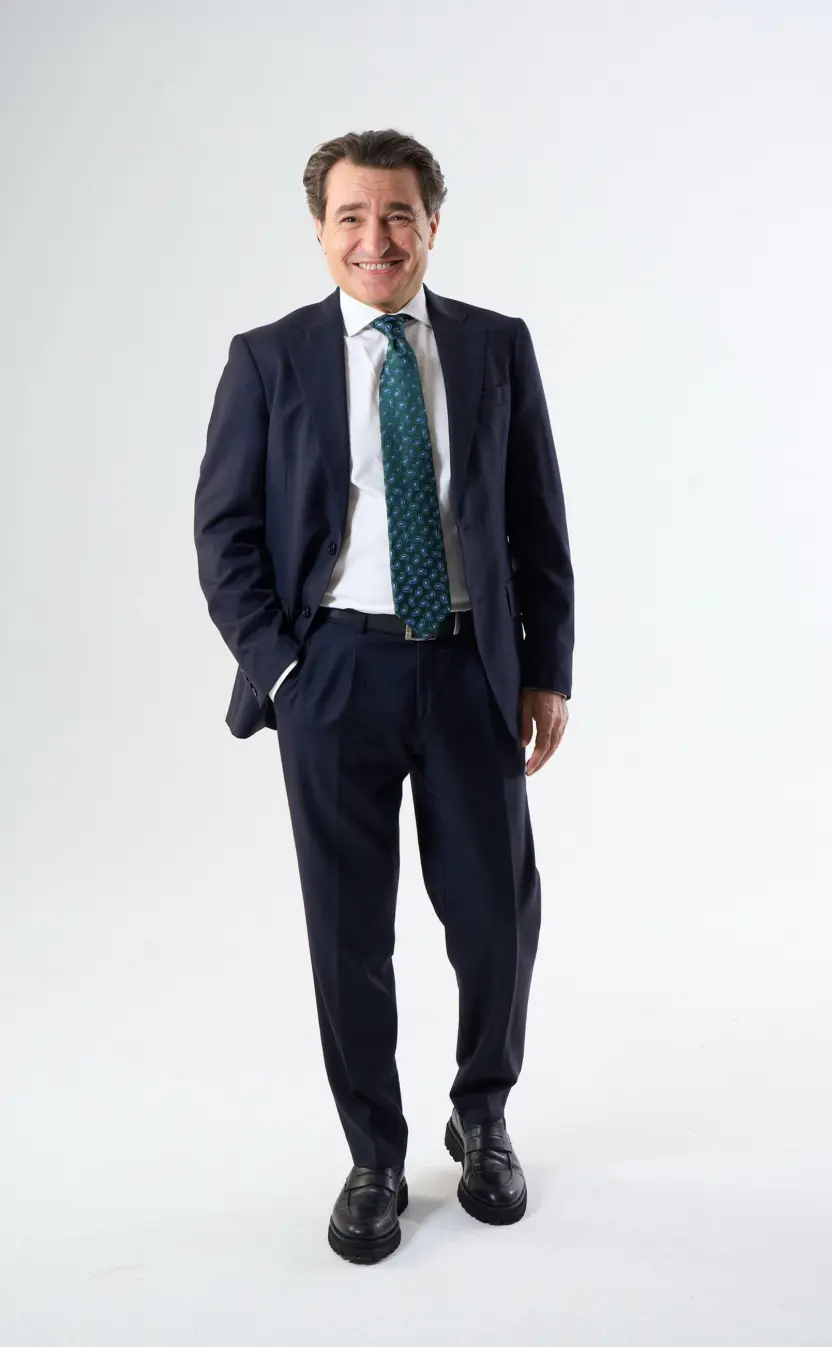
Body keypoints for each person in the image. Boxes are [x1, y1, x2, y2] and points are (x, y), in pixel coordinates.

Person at [193, 128, 574, 1264]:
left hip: (467, 669)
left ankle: (484, 1115)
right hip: (334, 674)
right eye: (352, 217)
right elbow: (224, 534)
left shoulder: (496, 347)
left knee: (495, 913)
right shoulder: (268, 359)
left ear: (432, 226)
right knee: (348, 929)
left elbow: (537, 516)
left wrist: (546, 665)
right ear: (320, 233)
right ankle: (374, 1154)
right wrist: (284, 668)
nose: (377, 238)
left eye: (399, 214)